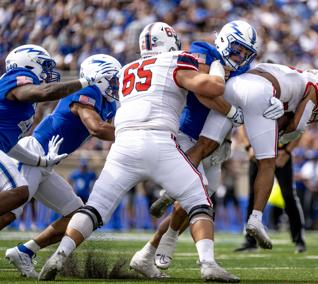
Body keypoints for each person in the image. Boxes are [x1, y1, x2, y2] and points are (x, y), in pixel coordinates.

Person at [38, 22, 240, 282]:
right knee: (199, 202)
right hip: (160, 141)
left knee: (95, 208)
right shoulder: (175, 60)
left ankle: (59, 256)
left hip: (123, 145)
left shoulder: (126, 70)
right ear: (169, 43)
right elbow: (212, 89)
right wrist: (216, 69)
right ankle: (208, 264)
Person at [131, 20, 280, 271]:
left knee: (198, 200)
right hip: (186, 135)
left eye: (246, 52)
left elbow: (260, 83)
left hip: (214, 144)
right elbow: (204, 92)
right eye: (237, 49)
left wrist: (271, 100)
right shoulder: (204, 51)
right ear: (223, 41)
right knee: (198, 197)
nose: (240, 56)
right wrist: (232, 111)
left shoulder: (245, 70)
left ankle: (148, 252)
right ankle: (198, 258)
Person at [186, 64, 318, 249]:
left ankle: (174, 187)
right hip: (259, 91)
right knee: (267, 164)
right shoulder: (314, 88)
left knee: (204, 145)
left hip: (234, 86)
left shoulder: (288, 73)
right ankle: (256, 219)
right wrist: (278, 137)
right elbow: (298, 127)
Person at [4, 54, 120, 278]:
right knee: (7, 213)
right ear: (98, 77)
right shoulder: (88, 92)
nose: (116, 84)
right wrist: (134, 134)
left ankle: (25, 251)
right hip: (33, 154)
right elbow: (96, 127)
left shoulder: (108, 103)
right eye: (113, 79)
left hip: (47, 163)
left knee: (79, 215)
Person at [0, 44, 108, 219]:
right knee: (18, 192)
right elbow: (44, 92)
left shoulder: (23, 103)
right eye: (44, 65)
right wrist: (86, 81)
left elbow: (10, 145)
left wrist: (41, 161)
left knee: (18, 195)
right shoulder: (18, 77)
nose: (47, 72)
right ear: (28, 64)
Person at [235, 136, 307, 253]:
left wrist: (287, 151)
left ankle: (299, 239)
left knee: (288, 196)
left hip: (281, 153)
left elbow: (299, 129)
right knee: (253, 197)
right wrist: (249, 146)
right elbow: (244, 125)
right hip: (259, 154)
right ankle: (250, 240)